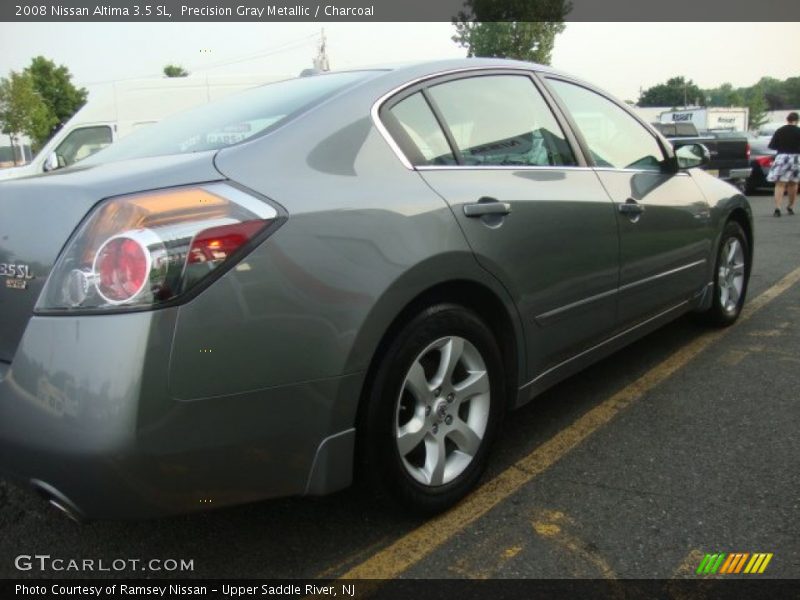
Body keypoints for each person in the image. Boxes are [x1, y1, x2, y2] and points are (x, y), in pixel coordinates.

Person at [767, 112, 800, 217]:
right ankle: (790, 206)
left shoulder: (780, 130)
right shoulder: (799, 131)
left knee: (780, 184)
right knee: (793, 183)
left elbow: (772, 146)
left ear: (787, 120)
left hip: (781, 157)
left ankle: (777, 208)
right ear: (797, 120)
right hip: (796, 158)